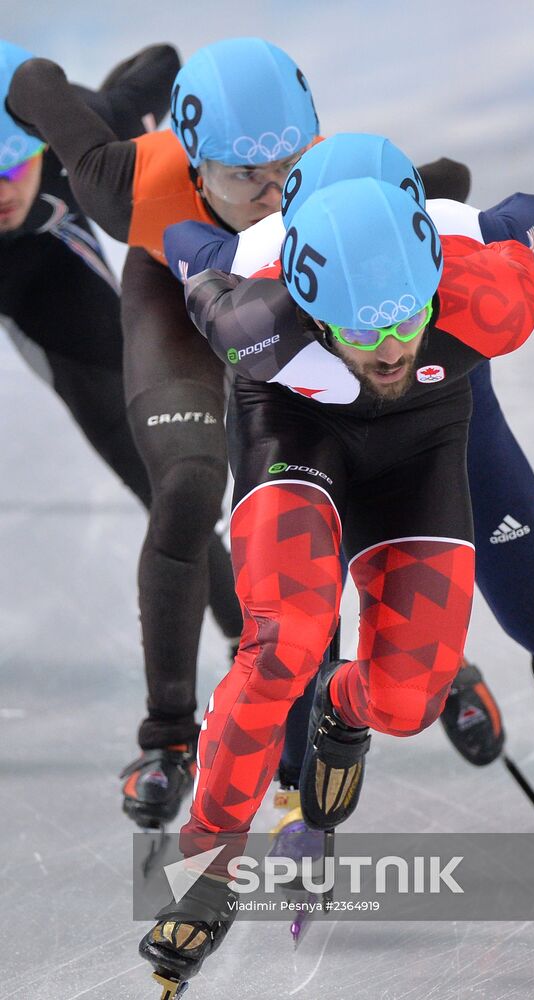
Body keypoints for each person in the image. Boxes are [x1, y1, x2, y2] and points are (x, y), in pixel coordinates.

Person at [6, 39, 475, 830]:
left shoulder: (330, 181)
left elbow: (448, 183)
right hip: (178, 293)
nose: (269, 195)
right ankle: (168, 738)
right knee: (187, 486)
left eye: (286, 169)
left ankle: (379, 671)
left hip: (277, 312)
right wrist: (123, 98)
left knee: (325, 502)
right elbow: (31, 80)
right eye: (241, 175)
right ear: (191, 161)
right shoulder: (122, 181)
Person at [138, 165, 534, 992]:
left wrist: (482, 221)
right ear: (314, 311)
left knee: (406, 699)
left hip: (421, 444)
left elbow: (526, 217)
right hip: (292, 423)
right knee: (280, 642)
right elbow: (184, 249)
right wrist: (236, 245)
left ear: (433, 283)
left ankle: (341, 705)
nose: (391, 346)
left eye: (404, 318)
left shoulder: (492, 299)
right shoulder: (256, 316)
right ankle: (209, 862)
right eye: (362, 330)